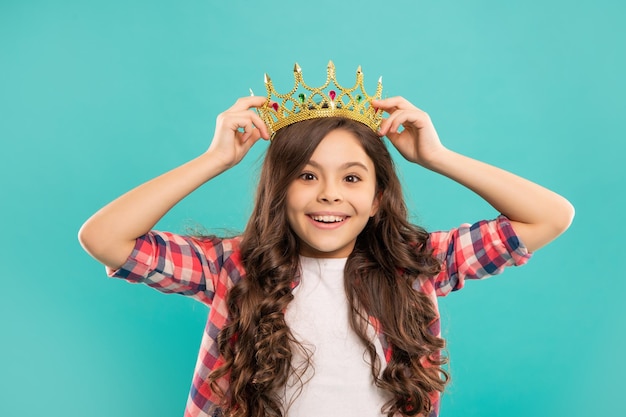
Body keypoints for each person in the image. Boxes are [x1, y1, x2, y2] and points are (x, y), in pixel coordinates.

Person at [78, 64, 574, 417]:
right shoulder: (231, 266)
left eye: (353, 178)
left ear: (379, 197)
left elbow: (549, 217)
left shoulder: (417, 265)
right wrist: (214, 160)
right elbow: (104, 237)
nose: (330, 195)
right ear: (281, 190)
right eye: (308, 176)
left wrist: (436, 157)